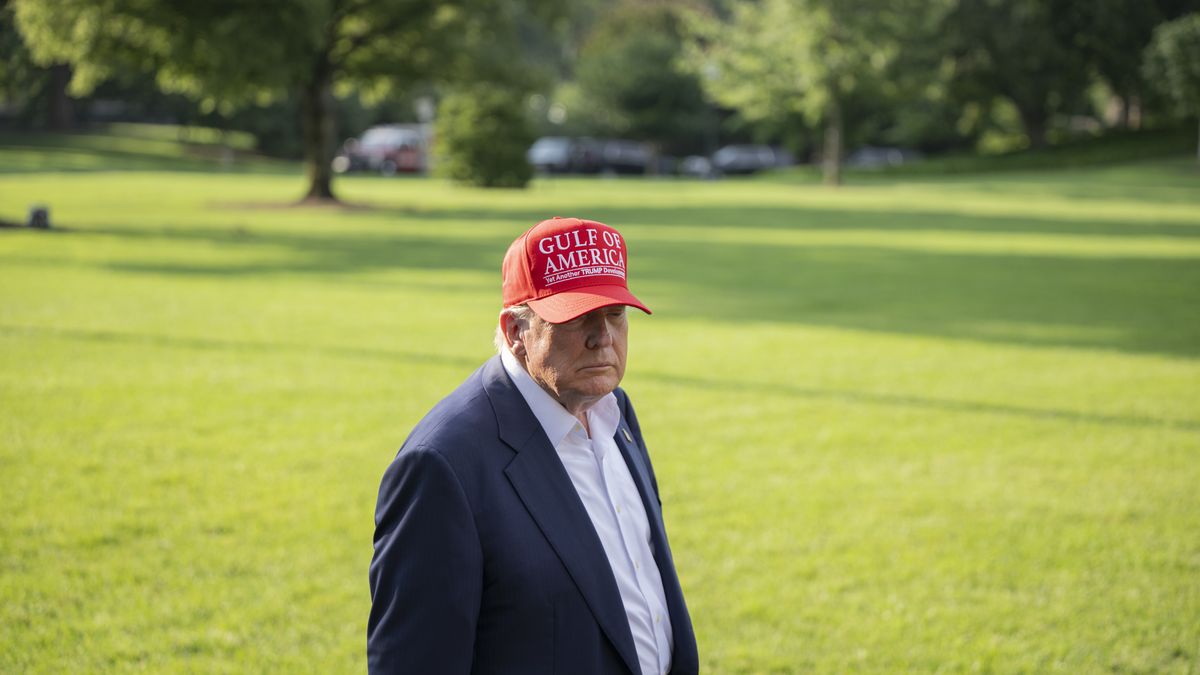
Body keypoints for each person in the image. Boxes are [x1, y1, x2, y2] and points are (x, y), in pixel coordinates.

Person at [368, 217, 699, 675]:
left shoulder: (614, 411)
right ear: (514, 331)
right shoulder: (442, 466)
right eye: (577, 316)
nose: (602, 336)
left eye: (615, 314)